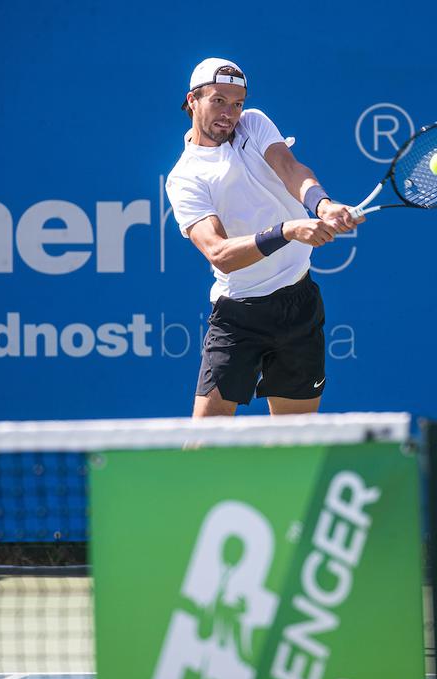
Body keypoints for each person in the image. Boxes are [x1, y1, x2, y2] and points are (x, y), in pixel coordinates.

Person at [165, 58, 363, 418]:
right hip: (239, 314)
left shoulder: (254, 124)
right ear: (192, 100)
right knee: (203, 447)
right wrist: (287, 231)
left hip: (298, 303)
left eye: (237, 103)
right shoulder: (185, 178)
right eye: (218, 100)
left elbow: (290, 169)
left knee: (295, 443)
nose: (230, 113)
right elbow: (220, 253)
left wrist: (322, 205)